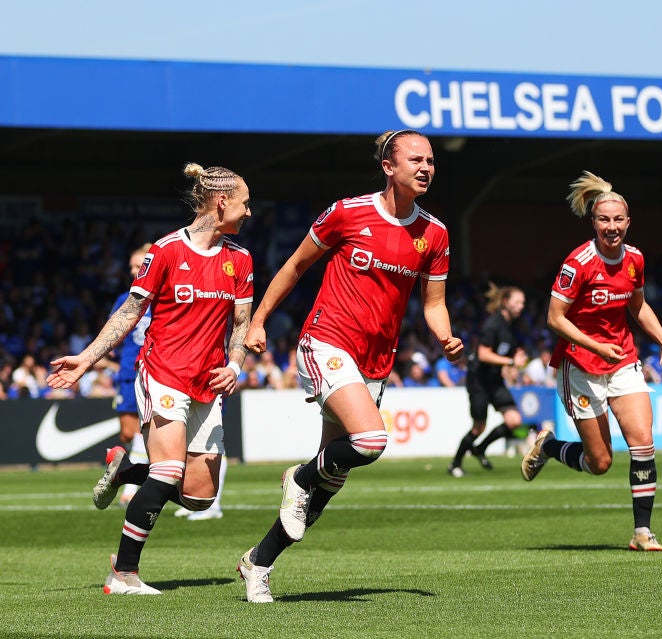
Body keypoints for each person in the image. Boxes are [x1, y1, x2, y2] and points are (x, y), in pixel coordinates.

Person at [236, 129, 463, 603]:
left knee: (328, 484)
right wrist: (257, 321)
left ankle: (258, 562)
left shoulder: (436, 234)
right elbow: (296, 265)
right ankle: (297, 475)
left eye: (431, 161)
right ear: (388, 166)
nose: (426, 168)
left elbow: (434, 303)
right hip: (327, 341)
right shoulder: (346, 212)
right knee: (371, 440)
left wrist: (444, 337)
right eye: (416, 159)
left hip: (375, 362)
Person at [46, 163, 254, 594]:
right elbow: (129, 313)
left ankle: (126, 471)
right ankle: (123, 574)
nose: (249, 212)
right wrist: (86, 358)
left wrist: (235, 365)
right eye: (244, 203)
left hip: (207, 382)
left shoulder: (241, 259)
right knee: (168, 470)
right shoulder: (165, 252)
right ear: (221, 203)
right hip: (163, 373)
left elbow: (240, 324)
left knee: (200, 496)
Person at [520, 170, 662, 552]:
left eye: (618, 220)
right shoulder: (578, 263)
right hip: (580, 366)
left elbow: (638, 308)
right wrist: (593, 345)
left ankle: (643, 533)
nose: (612, 227)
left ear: (628, 222)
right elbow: (554, 318)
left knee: (643, 442)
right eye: (604, 220)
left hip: (623, 360)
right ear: (593, 222)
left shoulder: (635, 259)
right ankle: (549, 447)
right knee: (600, 462)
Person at [448, 283, 529, 477]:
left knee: (514, 421)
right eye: (518, 302)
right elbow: (483, 354)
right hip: (479, 380)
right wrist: (511, 361)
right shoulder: (493, 324)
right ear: (505, 302)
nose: (521, 306)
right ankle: (455, 465)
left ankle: (480, 448)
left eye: (523, 303)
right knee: (479, 426)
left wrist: (513, 364)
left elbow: (505, 354)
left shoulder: (511, 326)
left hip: (493, 379)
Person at [101, 243, 153, 507]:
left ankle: (132, 489)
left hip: (154, 370)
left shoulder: (162, 297)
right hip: (126, 373)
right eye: (132, 266)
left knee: (146, 431)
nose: (134, 271)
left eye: (139, 266)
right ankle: (138, 475)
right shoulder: (125, 299)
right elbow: (113, 332)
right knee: (128, 432)